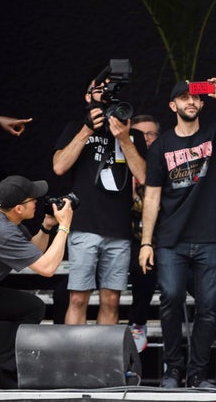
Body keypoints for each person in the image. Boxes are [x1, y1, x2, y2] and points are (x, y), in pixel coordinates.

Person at [138, 79, 216, 389]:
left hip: (209, 238)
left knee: (209, 306)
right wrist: (146, 242)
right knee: (170, 298)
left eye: (194, 98)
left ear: (201, 104)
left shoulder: (215, 135)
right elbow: (152, 196)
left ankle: (196, 374)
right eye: (183, 98)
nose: (190, 102)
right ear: (173, 106)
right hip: (171, 240)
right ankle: (172, 370)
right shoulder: (161, 146)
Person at [53, 76, 146, 326]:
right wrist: (86, 130)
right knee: (77, 299)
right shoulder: (75, 127)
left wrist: (124, 139)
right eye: (99, 89)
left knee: (111, 300)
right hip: (84, 225)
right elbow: (59, 167)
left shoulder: (132, 133)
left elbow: (144, 176)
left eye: (110, 90)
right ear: (87, 96)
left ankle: (104, 364)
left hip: (118, 228)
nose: (105, 94)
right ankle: (75, 362)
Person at [0, 176, 73, 388]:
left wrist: (47, 227)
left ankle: (6, 366)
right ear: (19, 208)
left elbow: (33, 254)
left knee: (32, 307)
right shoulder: (3, 232)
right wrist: (64, 227)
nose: (38, 201)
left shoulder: (3, 217)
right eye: (32, 199)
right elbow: (46, 268)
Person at [127, 114, 160, 352]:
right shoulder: (119, 165)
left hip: (156, 240)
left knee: (145, 266)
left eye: (151, 134)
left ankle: (137, 323)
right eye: (139, 135)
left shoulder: (164, 163)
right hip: (122, 238)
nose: (146, 139)